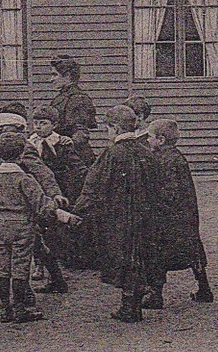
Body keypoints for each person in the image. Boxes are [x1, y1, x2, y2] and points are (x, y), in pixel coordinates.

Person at [72, 105, 172, 323]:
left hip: (119, 218)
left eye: (107, 128)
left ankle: (129, 307)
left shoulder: (112, 154)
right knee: (140, 258)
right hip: (145, 216)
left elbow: (94, 185)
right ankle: (135, 304)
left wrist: (78, 212)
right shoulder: (146, 151)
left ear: (115, 128)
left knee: (125, 260)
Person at [0, 135, 78, 324]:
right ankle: (20, 309)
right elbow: (42, 205)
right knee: (20, 267)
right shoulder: (25, 179)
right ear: (21, 155)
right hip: (23, 227)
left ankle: (5, 309)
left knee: (3, 268)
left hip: (1, 226)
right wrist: (63, 215)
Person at [0, 103, 70, 293]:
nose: (3, 134)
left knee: (26, 248)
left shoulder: (24, 147)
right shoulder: (6, 144)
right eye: (0, 130)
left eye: (7, 130)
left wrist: (54, 193)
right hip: (16, 203)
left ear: (20, 128)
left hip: (28, 203)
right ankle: (56, 280)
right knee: (34, 245)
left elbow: (43, 172)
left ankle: (25, 292)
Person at [143, 118, 214, 305]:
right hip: (185, 217)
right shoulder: (176, 157)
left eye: (150, 137)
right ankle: (204, 288)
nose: (148, 141)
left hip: (168, 218)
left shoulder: (163, 161)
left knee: (157, 253)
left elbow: (168, 192)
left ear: (161, 140)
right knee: (193, 251)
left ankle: (155, 295)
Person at [30, 105, 95, 271]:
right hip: (38, 189)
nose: (38, 127)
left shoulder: (62, 143)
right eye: (35, 123)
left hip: (61, 188)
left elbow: (75, 165)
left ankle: (62, 257)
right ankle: (40, 264)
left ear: (54, 125)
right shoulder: (30, 144)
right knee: (38, 226)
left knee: (58, 224)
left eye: (43, 123)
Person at [48, 55, 98, 142]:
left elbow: (80, 133)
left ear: (67, 75)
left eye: (55, 75)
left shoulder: (78, 98)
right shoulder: (61, 97)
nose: (51, 79)